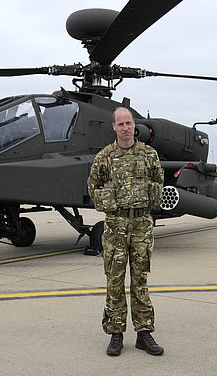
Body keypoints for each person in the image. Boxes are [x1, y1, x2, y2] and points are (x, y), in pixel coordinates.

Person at [88, 106, 165, 356]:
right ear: (114, 127)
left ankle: (144, 333)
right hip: (115, 226)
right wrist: (109, 202)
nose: (125, 128)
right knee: (115, 281)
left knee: (140, 280)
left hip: (142, 223)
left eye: (129, 123)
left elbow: (158, 179)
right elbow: (93, 186)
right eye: (120, 124)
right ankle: (116, 334)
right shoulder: (104, 157)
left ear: (134, 125)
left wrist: (148, 197)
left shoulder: (148, 154)